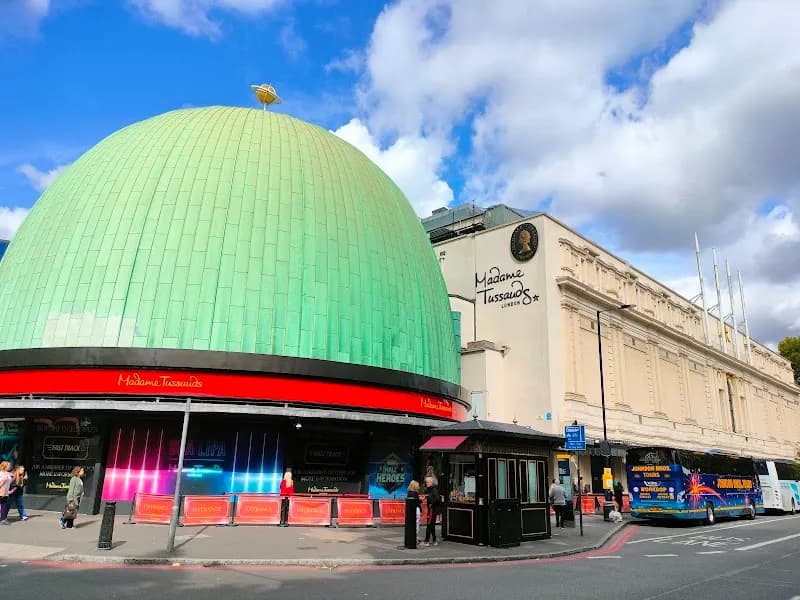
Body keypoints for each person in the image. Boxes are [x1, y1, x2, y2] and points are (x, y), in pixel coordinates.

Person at [422, 476, 442, 546]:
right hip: (431, 509)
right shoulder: (430, 489)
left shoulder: (434, 490)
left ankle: (426, 541)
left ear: (431, 482)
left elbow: (437, 499)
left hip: (432, 509)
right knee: (431, 525)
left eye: (427, 482)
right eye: (426, 482)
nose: (426, 483)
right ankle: (434, 540)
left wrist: (431, 503)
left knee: (429, 524)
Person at [0, 461, 12, 525]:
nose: (10, 466)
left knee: (5, 506)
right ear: (5, 466)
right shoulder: (1, 473)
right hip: (1, 492)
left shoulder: (8, 473)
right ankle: (3, 519)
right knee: (4, 505)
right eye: (8, 465)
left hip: (5, 493)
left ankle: (3, 519)